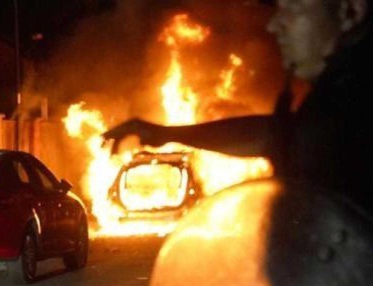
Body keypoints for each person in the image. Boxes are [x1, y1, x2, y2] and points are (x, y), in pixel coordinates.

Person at [102, 0, 373, 216]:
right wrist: (166, 134)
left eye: (292, 7)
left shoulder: (356, 97)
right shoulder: (335, 96)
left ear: (351, 10)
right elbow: (276, 134)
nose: (273, 25)